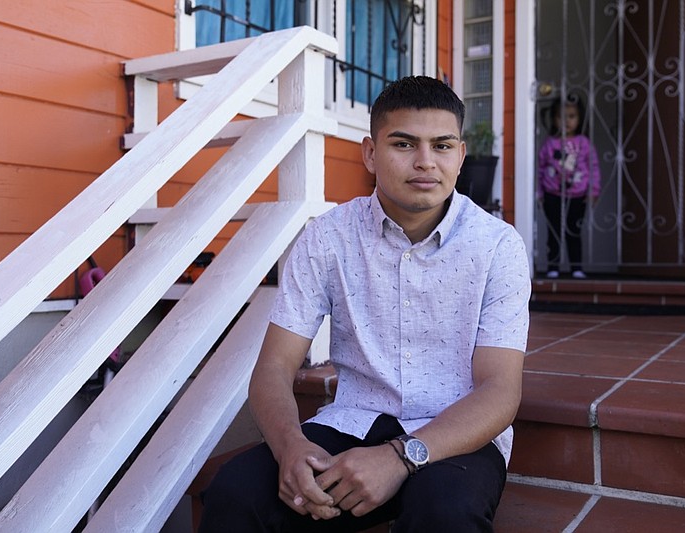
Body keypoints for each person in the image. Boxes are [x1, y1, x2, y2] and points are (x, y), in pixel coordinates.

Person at [198, 76, 531, 532]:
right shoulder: (327, 237)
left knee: (444, 514)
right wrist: (289, 446)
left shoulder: (497, 246)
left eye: (442, 146)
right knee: (236, 494)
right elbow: (274, 367)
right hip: (354, 421)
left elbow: (500, 391)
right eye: (404, 143)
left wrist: (399, 458)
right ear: (370, 153)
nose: (425, 163)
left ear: (461, 154)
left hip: (456, 435)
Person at [537, 94, 601, 279]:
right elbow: (541, 169)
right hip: (552, 193)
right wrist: (540, 192)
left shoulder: (584, 143)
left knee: (574, 231)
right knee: (554, 231)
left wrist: (593, 191)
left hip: (577, 194)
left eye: (571, 116)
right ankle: (553, 267)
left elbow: (593, 167)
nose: (566, 121)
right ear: (554, 119)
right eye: (561, 116)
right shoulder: (550, 144)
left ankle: (576, 267)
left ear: (579, 118)